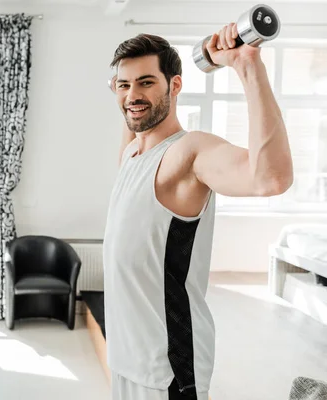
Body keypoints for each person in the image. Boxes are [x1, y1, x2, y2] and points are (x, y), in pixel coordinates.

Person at [102, 25, 294, 400]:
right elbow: (132, 118)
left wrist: (247, 63)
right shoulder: (132, 154)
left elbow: (270, 178)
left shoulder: (188, 152)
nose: (133, 95)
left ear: (175, 86)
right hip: (125, 359)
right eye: (123, 85)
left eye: (146, 83)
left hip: (166, 371)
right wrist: (124, 92)